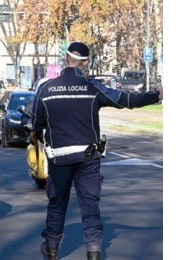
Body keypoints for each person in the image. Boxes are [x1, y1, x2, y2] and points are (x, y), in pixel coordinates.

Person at [32, 42, 163, 260]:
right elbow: (126, 100)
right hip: (88, 157)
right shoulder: (93, 88)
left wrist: (37, 134)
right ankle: (93, 251)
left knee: (57, 204)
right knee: (89, 204)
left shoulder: (46, 89)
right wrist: (155, 95)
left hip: (59, 159)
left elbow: (37, 123)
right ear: (84, 62)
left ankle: (52, 249)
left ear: (65, 59)